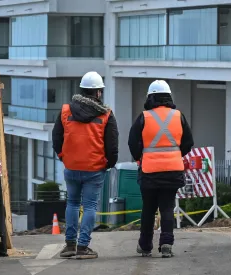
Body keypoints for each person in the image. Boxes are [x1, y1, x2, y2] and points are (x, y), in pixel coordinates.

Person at [52, 71, 119, 259]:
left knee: (72, 203)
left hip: (71, 167)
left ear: (81, 90)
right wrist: (108, 164)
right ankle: (83, 247)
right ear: (98, 93)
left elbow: (56, 137)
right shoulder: (106, 114)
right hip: (94, 168)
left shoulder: (66, 111)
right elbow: (112, 145)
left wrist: (63, 156)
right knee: (89, 206)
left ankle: (70, 245)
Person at [128, 80, 194, 258]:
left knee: (148, 209)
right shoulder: (178, 116)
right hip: (173, 170)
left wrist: (139, 158)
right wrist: (175, 155)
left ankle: (145, 245)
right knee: (167, 207)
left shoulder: (144, 117)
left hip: (149, 171)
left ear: (150, 97)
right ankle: (166, 244)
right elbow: (188, 143)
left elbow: (133, 142)